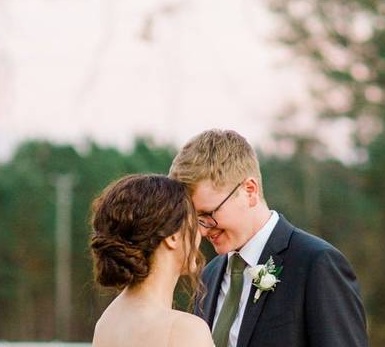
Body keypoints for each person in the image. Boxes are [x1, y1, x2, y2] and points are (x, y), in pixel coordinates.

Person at [169, 129, 369, 347]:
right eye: (195, 218)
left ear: (250, 191)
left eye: (208, 214)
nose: (203, 230)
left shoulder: (316, 264)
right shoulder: (209, 275)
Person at [89, 173, 215, 347]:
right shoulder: (185, 330)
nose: (200, 234)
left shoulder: (106, 323)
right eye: (195, 222)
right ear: (173, 237)